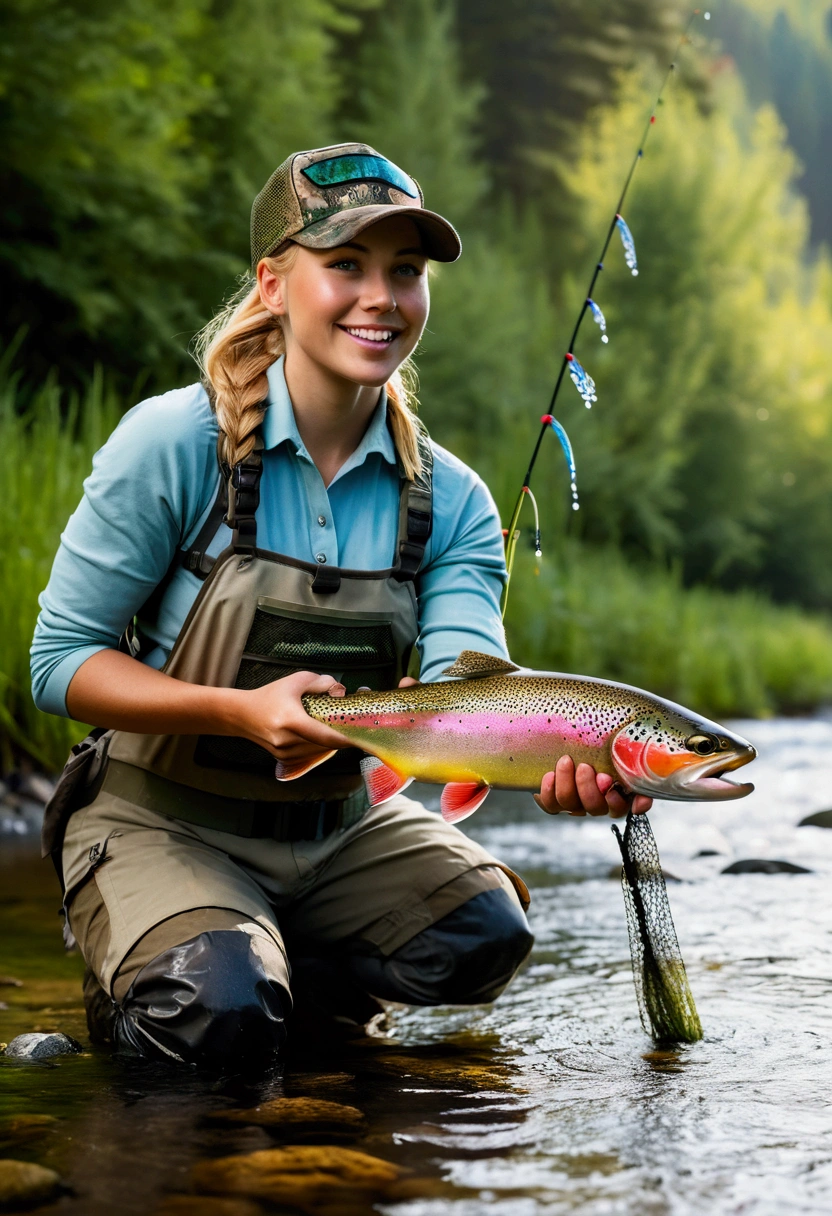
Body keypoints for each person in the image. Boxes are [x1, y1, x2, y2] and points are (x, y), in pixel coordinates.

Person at [31, 142, 651, 1066]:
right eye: (346, 265)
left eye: (405, 271)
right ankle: (186, 975)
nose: (383, 297)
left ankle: (287, 975)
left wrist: (557, 756)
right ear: (274, 283)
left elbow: (461, 689)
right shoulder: (172, 442)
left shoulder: (454, 500)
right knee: (214, 1016)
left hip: (340, 825)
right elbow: (59, 664)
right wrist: (235, 713)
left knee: (488, 931)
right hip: (161, 817)